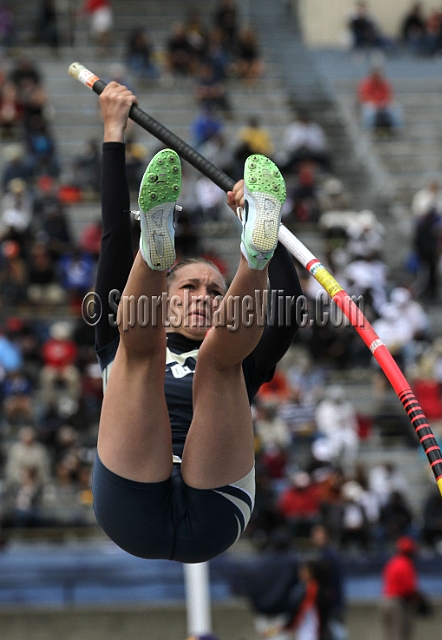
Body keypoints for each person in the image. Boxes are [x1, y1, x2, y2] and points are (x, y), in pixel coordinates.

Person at [91, 82, 302, 563]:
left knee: (218, 361)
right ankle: (154, 245)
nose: (205, 296)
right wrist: (112, 133)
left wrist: (262, 221)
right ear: (164, 299)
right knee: (136, 348)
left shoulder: (241, 353)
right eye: (189, 287)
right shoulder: (119, 335)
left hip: (213, 508)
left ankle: (253, 251)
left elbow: (286, 306)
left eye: (215, 290)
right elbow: (110, 241)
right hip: (131, 495)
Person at [380, 536, 431, 640]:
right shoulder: (406, 564)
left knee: (390, 636)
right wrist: (419, 600)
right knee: (400, 636)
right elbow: (409, 588)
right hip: (398, 604)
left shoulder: (392, 562)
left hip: (385, 601)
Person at [357, 67, 403, 132]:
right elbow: (364, 96)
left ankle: (398, 129)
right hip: (371, 104)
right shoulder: (367, 84)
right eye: (376, 76)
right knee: (369, 112)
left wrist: (383, 103)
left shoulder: (383, 83)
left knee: (396, 107)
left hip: (383, 103)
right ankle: (368, 131)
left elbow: (389, 95)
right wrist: (376, 103)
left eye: (378, 76)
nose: (377, 78)